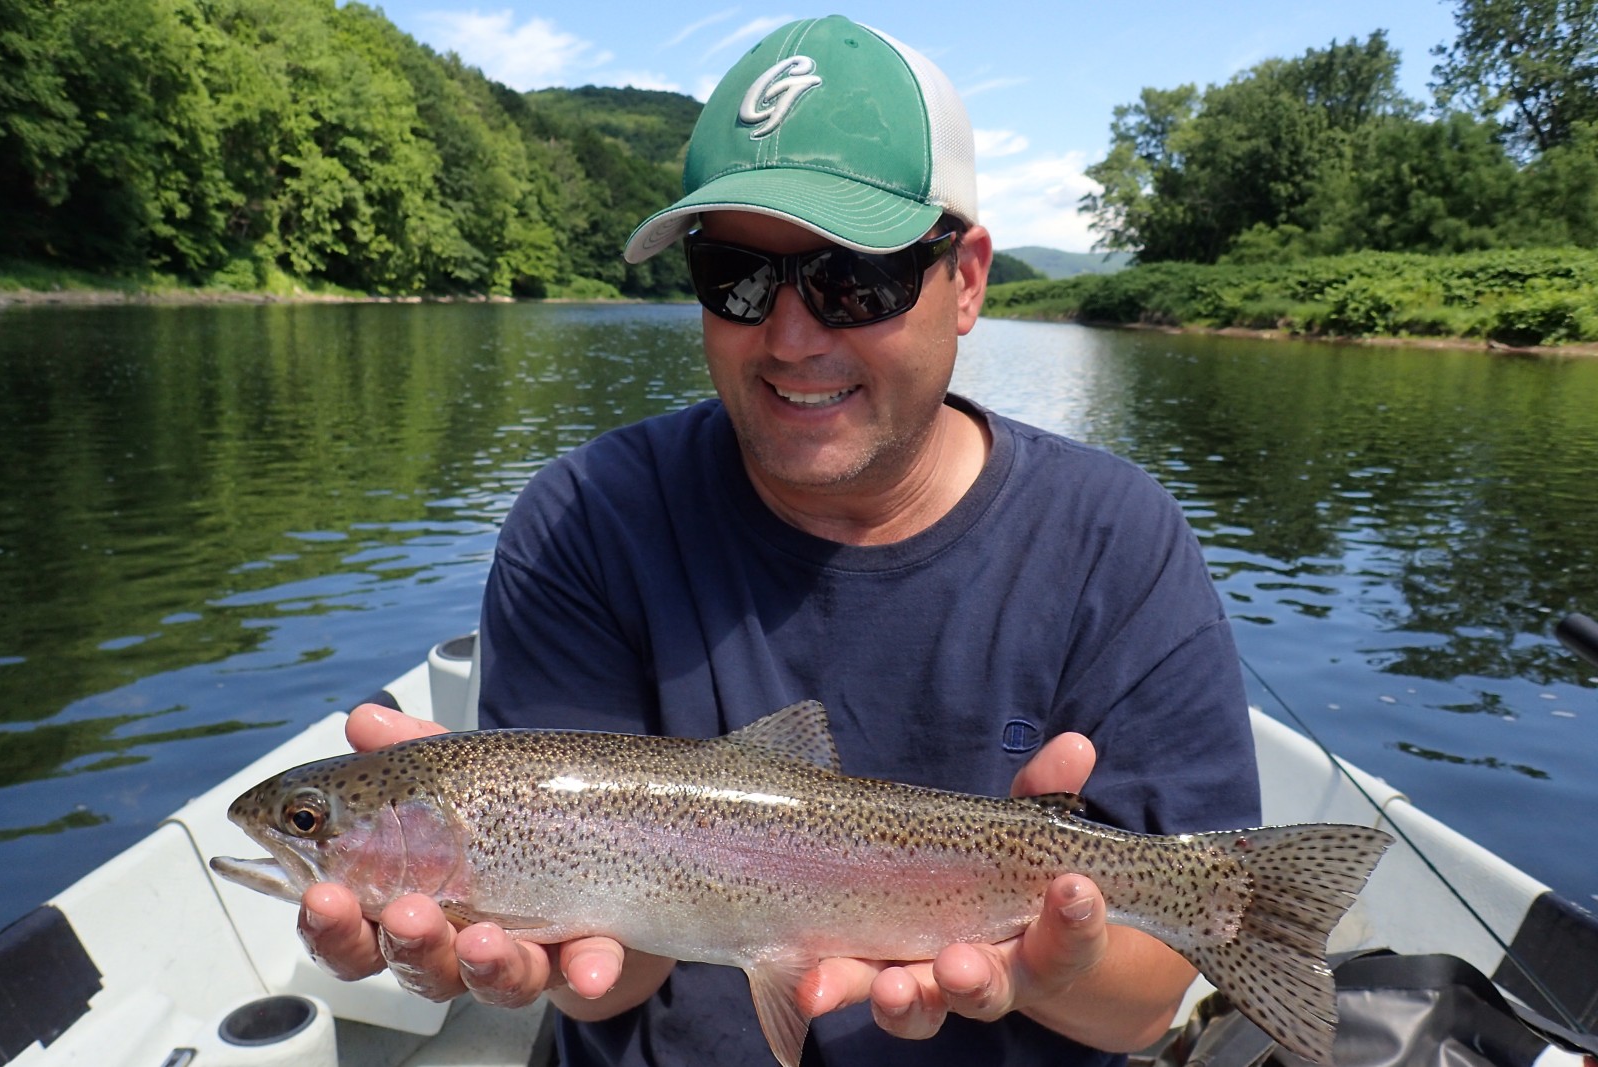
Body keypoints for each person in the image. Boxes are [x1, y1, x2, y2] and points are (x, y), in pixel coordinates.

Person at [299, 14, 1259, 1067]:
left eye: (855, 277)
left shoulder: (1117, 541)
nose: (793, 335)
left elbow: (1143, 1005)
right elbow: (605, 971)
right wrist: (520, 929)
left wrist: (1045, 955)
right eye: (737, 277)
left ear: (968, 279)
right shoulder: (584, 518)